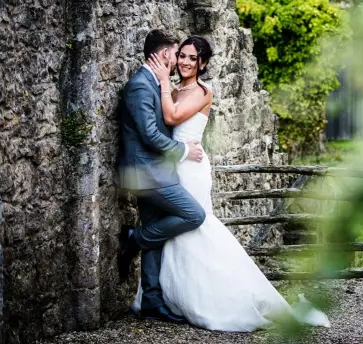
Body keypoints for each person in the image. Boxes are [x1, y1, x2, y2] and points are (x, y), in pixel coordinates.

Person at [131, 35, 330, 331]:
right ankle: (171, 296)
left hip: (191, 167)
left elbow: (171, 118)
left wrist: (161, 80)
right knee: (176, 231)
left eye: (191, 58)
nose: (184, 62)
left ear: (203, 63)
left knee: (198, 225)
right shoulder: (175, 88)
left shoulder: (202, 91)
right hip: (172, 167)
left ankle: (220, 296)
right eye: (182, 56)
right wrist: (165, 85)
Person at [116, 30, 206, 324]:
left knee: (155, 233)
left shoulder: (156, 84)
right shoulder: (141, 86)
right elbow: (150, 134)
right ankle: (134, 237)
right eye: (176, 53)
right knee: (194, 214)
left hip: (157, 171)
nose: (179, 59)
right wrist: (182, 151)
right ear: (165, 54)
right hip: (147, 174)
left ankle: (152, 302)